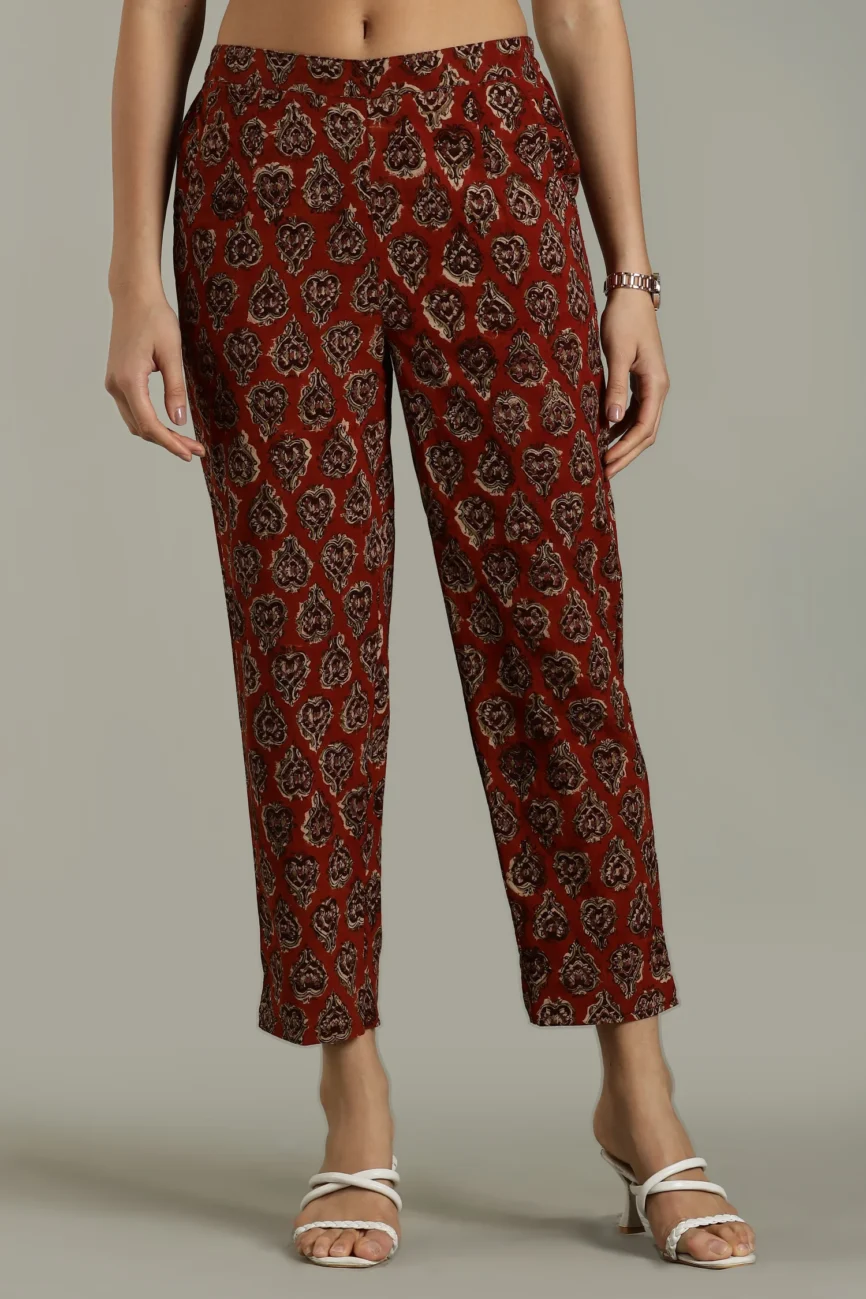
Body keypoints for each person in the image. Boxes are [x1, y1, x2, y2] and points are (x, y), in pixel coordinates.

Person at [105, 0, 756, 1271]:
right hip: (264, 162)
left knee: (558, 644)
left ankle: (637, 1091)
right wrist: (134, 269)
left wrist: (629, 275)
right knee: (302, 647)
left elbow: (579, 10)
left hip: (485, 140)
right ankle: (351, 1091)